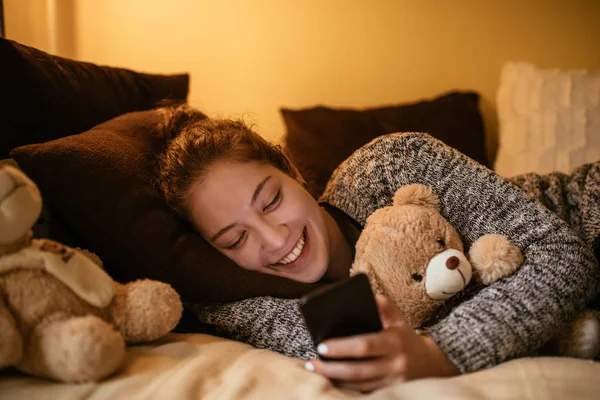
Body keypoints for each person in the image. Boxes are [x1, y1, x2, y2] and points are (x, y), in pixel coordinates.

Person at [156, 104, 600, 392]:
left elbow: (563, 254)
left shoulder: (389, 167)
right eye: (236, 238)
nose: (275, 239)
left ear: (291, 170)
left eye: (271, 200)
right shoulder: (255, 303)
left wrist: (441, 351)